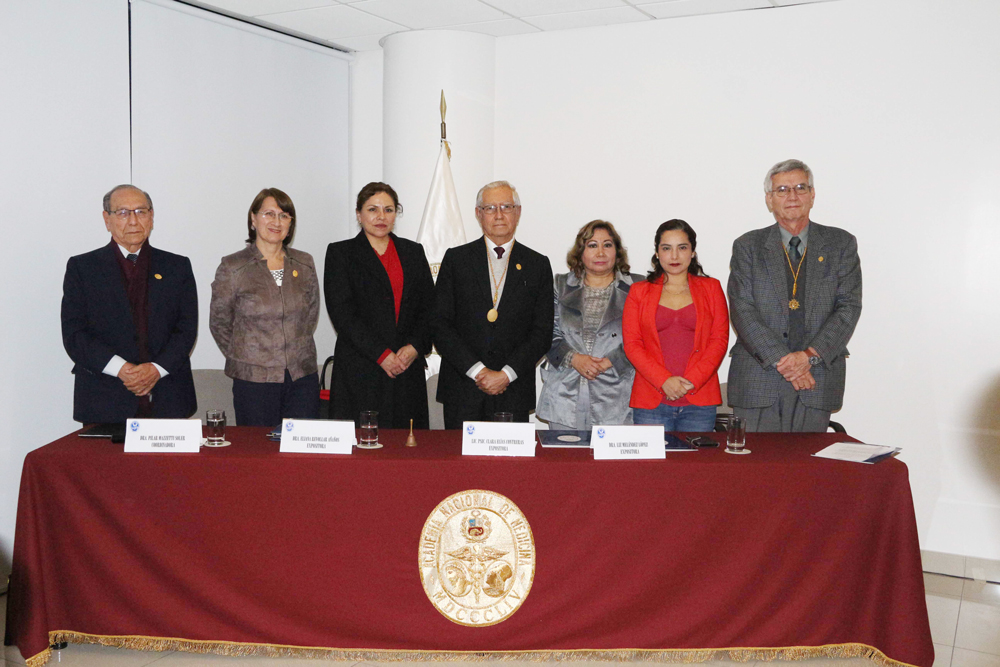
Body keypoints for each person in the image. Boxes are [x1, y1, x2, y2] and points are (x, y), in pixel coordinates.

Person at [728, 159, 862, 432]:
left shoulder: (840, 244)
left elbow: (848, 307)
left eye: (800, 188)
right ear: (769, 199)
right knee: (757, 460)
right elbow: (742, 310)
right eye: (782, 190)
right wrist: (787, 362)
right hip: (759, 378)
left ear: (812, 195)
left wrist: (808, 358)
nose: (792, 196)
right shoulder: (747, 246)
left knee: (808, 461)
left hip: (817, 377)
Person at [61, 184, 198, 423]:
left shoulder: (177, 267)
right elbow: (75, 334)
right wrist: (121, 369)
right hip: (104, 397)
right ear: (107, 219)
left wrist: (156, 369)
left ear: (151, 217)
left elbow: (186, 330)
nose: (133, 221)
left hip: (168, 396)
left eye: (141, 212)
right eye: (123, 213)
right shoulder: (82, 268)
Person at [434, 180, 554, 428]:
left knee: (509, 456)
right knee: (459, 455)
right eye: (490, 208)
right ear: (478, 214)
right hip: (463, 388)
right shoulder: (456, 260)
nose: (499, 215)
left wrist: (506, 375)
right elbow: (440, 325)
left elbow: (541, 332)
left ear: (517, 212)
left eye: (506, 207)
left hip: (512, 390)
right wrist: (478, 371)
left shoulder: (537, 264)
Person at [324, 182, 435, 428]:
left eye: (389, 209)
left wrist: (415, 347)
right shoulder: (341, 253)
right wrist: (382, 355)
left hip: (406, 367)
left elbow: (429, 308)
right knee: (362, 445)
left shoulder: (413, 252)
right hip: (361, 369)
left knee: (407, 445)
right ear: (359, 214)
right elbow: (342, 314)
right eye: (373, 209)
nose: (381, 216)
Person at [210, 188, 320, 426]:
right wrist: (249, 355)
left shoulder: (304, 263)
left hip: (302, 377)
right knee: (258, 447)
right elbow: (219, 323)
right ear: (253, 219)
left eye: (284, 215)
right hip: (254, 380)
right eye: (268, 214)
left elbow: (309, 317)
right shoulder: (233, 267)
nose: (276, 222)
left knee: (301, 447)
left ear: (290, 223)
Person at [622, 219, 729, 432]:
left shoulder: (711, 287)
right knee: (653, 456)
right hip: (651, 400)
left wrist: (691, 381)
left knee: (696, 456)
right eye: (666, 248)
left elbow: (719, 341)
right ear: (657, 253)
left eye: (682, 248)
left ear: (693, 252)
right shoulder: (639, 291)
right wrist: (664, 381)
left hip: (699, 400)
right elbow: (632, 344)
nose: (674, 256)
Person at [537, 220, 641, 430]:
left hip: (617, 394)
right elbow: (545, 331)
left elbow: (646, 336)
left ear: (617, 251)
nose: (600, 252)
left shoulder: (638, 286)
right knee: (564, 452)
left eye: (607, 245)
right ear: (580, 252)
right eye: (592, 245)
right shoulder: (559, 285)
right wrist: (574, 358)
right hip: (564, 394)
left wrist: (611, 361)